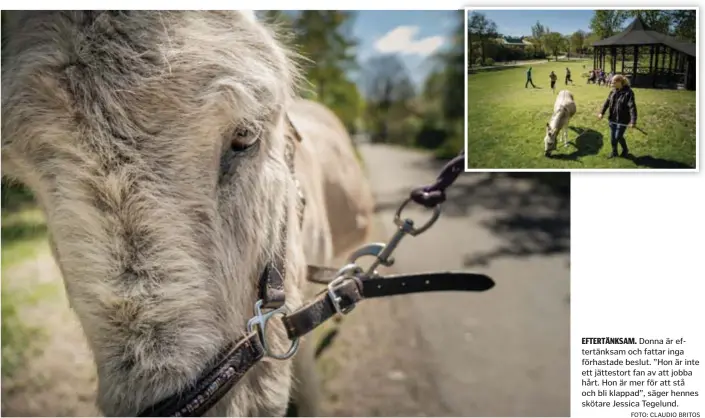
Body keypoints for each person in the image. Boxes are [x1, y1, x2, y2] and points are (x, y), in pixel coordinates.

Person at [597, 74, 638, 158]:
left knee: (618, 136)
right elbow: (607, 103)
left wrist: (633, 121)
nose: (611, 84)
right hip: (612, 119)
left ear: (619, 82)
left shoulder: (628, 93)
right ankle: (614, 152)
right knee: (613, 137)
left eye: (613, 82)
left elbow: (632, 107)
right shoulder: (613, 91)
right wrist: (601, 113)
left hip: (623, 120)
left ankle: (625, 150)